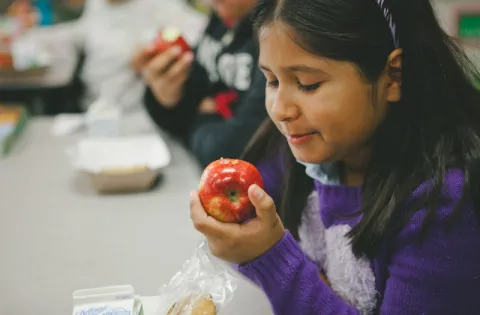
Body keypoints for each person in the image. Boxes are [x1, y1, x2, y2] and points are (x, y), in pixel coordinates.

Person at [189, 0, 480, 314]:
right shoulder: (299, 148)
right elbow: (246, 226)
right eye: (272, 81)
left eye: (308, 84)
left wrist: (270, 258)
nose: (281, 110)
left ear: (393, 75)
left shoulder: (440, 204)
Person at [134, 0, 268, 166]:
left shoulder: (276, 29)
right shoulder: (226, 16)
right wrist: (165, 98)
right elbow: (184, 100)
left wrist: (197, 118)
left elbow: (229, 152)